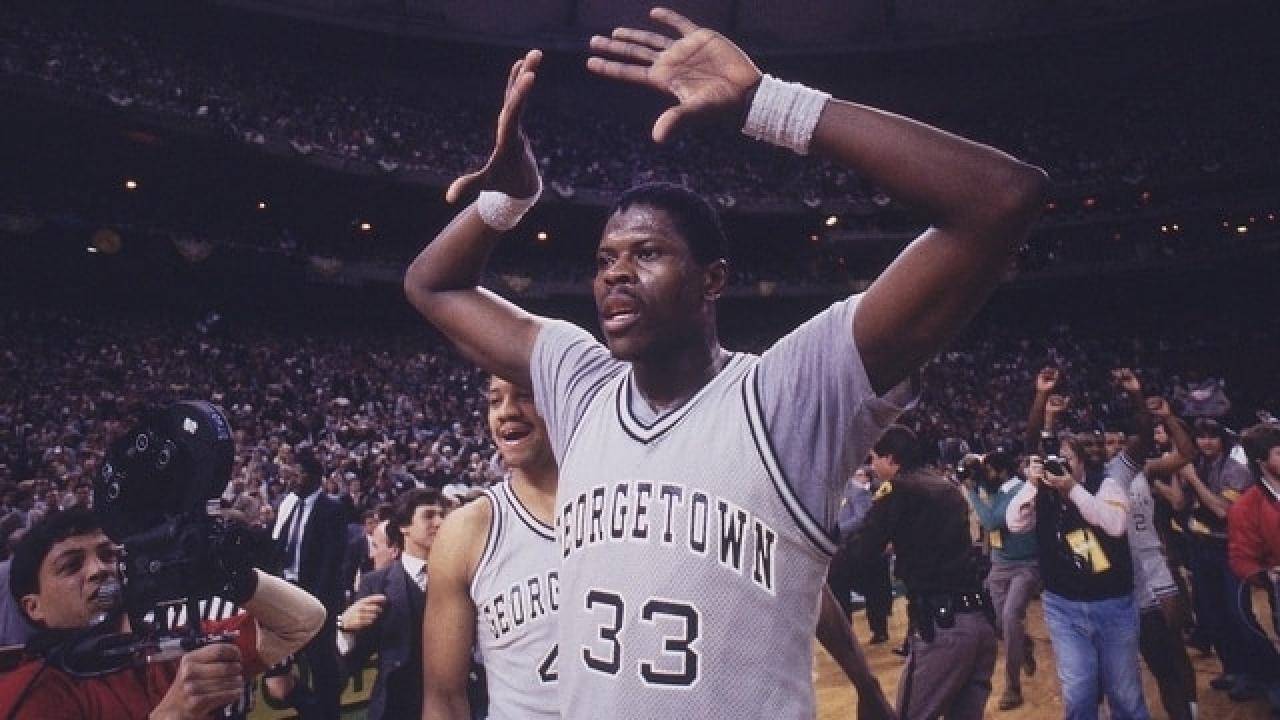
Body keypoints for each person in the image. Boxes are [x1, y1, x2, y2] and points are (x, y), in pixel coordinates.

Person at [404, 7, 1045, 717]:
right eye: (604, 260)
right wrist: (508, 199)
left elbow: (1000, 197)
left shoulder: (788, 394)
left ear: (713, 280)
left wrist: (768, 103)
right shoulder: (578, 383)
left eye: (646, 253)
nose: (616, 274)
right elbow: (432, 285)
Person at [0, 507, 326, 719]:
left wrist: (229, 576)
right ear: (33, 606)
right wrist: (171, 715)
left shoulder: (163, 650)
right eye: (71, 566)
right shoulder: (29, 690)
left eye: (108, 555)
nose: (99, 570)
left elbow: (304, 620)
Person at [423, 376, 561, 720]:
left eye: (525, 396)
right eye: (494, 400)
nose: (506, 412)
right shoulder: (466, 531)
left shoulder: (629, 505)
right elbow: (444, 698)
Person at [849, 425, 996, 719]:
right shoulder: (946, 486)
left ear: (891, 459)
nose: (872, 466)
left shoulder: (898, 489)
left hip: (944, 627)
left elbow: (862, 550)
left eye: (874, 458)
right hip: (981, 622)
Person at [337, 487, 445, 720]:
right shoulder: (375, 583)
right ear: (404, 526)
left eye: (442, 515)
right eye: (429, 515)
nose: (440, 522)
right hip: (396, 708)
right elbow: (354, 660)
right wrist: (345, 629)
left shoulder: (464, 578)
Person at [271, 446, 348, 720]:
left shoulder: (332, 508)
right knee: (281, 670)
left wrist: (315, 602)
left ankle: (329, 714)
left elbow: (331, 560)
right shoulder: (289, 505)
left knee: (321, 662)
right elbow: (278, 544)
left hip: (316, 597)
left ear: (315, 477)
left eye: (299, 473)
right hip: (286, 591)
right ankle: (315, 712)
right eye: (291, 472)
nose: (292, 478)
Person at [962, 450, 1038, 711]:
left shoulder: (1020, 490)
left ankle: (1012, 687)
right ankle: (1023, 643)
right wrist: (973, 473)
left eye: (989, 471)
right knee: (1001, 623)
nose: (985, 476)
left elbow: (992, 521)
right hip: (999, 565)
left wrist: (972, 491)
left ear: (1003, 472)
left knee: (1009, 617)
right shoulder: (997, 487)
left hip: (1025, 565)